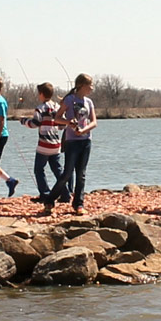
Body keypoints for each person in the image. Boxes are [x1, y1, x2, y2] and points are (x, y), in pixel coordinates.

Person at [44, 73, 97, 215]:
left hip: (86, 141)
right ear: (81, 85)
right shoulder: (69, 100)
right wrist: (69, 123)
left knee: (81, 174)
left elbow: (94, 122)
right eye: (89, 85)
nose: (92, 88)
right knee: (67, 173)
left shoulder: (89, 102)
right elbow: (57, 118)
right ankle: (50, 199)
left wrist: (84, 130)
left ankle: (78, 204)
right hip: (72, 141)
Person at [21, 82, 63, 200]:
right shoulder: (57, 107)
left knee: (39, 169)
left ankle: (45, 194)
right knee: (58, 169)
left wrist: (24, 121)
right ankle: (65, 194)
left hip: (44, 144)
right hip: (56, 144)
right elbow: (62, 126)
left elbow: (35, 123)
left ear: (41, 94)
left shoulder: (40, 108)